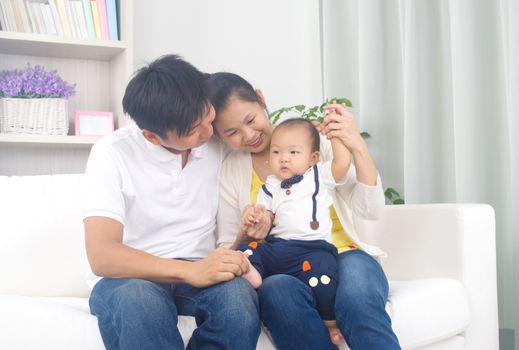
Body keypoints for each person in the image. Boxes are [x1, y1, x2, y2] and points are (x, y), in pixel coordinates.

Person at [208, 72, 401, 350]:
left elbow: (369, 210)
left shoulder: (315, 142)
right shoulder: (231, 170)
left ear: (261, 100)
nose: (248, 135)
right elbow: (228, 249)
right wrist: (247, 231)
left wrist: (355, 144)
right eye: (232, 133)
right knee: (275, 292)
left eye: (250, 120)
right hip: (284, 267)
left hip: (344, 253)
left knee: (357, 298)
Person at [82, 55, 260, 350]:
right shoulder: (111, 153)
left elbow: (270, 142)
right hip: (131, 278)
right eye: (192, 131)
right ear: (152, 136)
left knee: (238, 301)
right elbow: (102, 255)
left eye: (208, 116)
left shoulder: (214, 137)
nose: (207, 132)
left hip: (201, 272)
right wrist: (190, 270)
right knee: (139, 302)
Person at [237, 117, 349, 344]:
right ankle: (254, 275)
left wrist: (335, 136)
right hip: (280, 249)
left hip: (313, 249)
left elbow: (342, 164)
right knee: (247, 249)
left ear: (313, 158)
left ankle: (329, 322)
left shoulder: (318, 175)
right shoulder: (270, 186)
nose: (283, 159)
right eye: (276, 152)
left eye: (293, 153)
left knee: (323, 278)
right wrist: (256, 216)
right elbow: (265, 214)